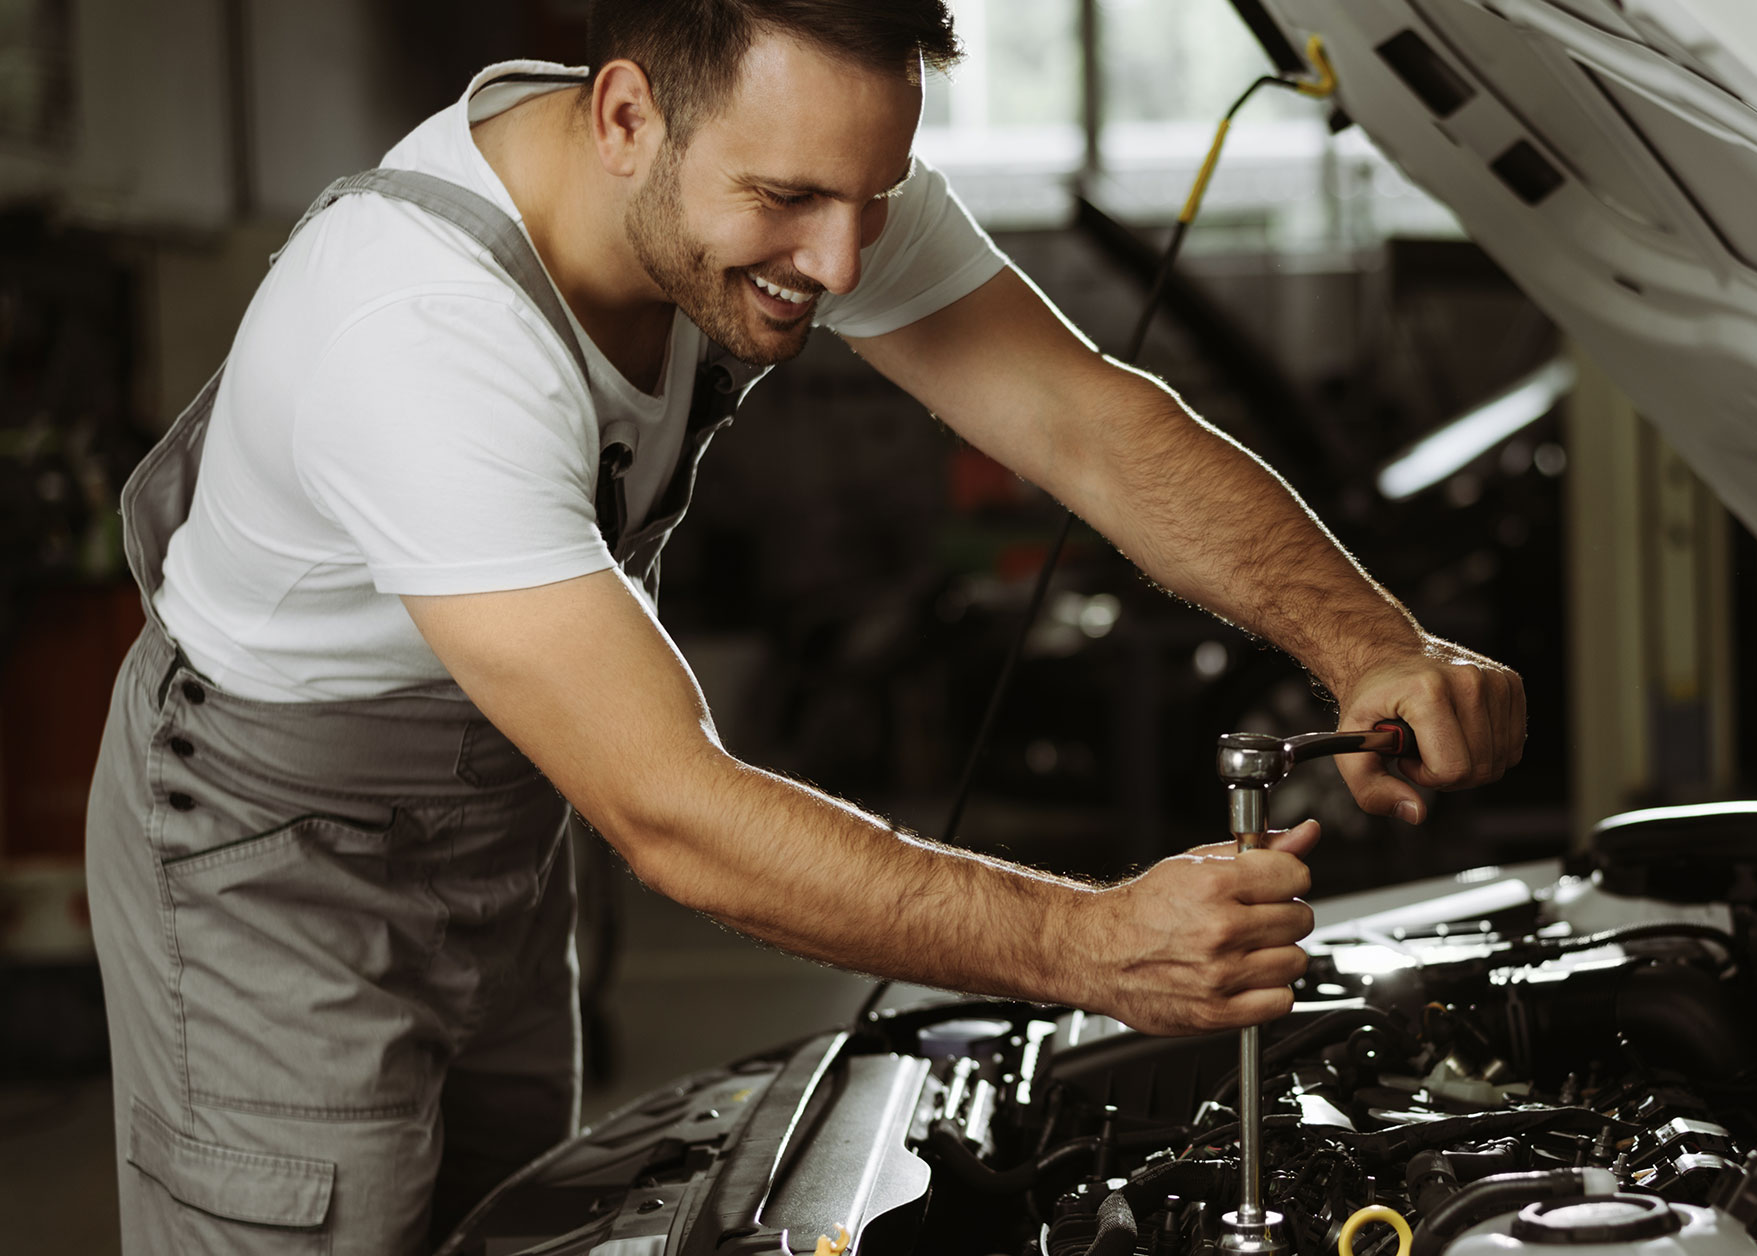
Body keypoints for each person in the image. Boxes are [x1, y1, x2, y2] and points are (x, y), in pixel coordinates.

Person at [85, 0, 1526, 1250]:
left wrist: (1369, 641)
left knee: (501, 1223)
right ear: (627, 114)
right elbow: (674, 809)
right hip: (276, 852)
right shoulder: (417, 332)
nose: (839, 264)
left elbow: (1086, 421)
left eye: (873, 197)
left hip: (504, 803)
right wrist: (1092, 946)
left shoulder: (789, 170)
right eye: (788, 203)